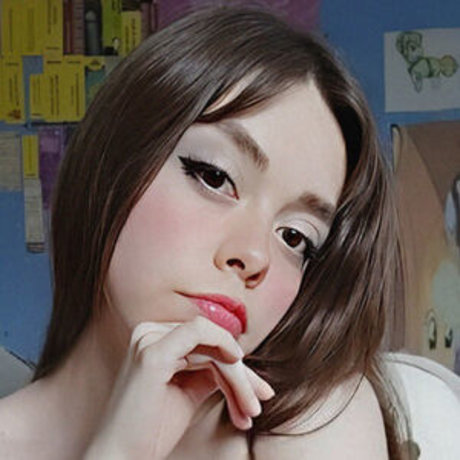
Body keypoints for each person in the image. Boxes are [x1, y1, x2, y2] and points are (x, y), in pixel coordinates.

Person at [0, 5, 410, 459]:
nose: (254, 256)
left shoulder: (312, 415)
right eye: (215, 177)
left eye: (295, 237)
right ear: (115, 162)